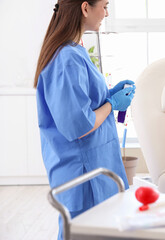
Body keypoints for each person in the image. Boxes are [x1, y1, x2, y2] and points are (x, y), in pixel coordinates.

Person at [33, 1, 136, 239]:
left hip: (93, 167)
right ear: (85, 8)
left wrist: (107, 97)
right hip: (83, 171)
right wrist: (113, 104)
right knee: (82, 233)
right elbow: (79, 126)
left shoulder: (72, 51)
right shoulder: (66, 57)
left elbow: (80, 107)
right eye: (105, 6)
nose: (107, 13)